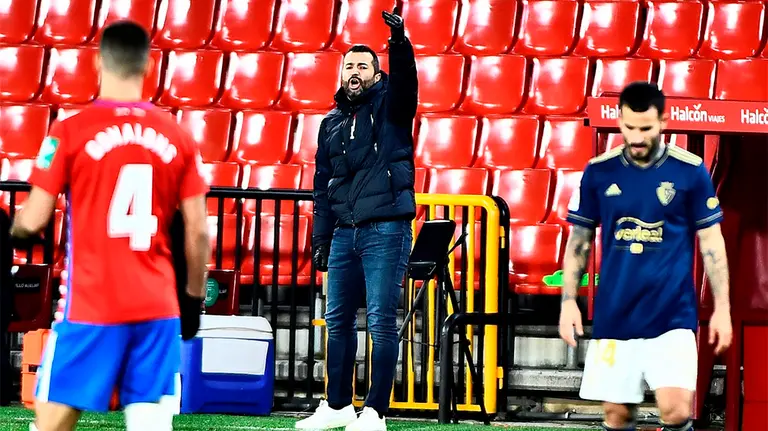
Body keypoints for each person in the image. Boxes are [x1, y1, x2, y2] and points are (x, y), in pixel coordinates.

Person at [9, 21, 210, 431]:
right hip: (157, 306)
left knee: (50, 425)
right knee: (150, 425)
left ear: (98, 63)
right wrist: (191, 299)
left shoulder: (68, 131)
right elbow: (198, 231)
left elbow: (33, 220)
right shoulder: (178, 137)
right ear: (149, 66)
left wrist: (13, 227)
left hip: (92, 305)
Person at [558, 82, 733, 431]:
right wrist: (568, 301)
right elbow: (579, 241)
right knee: (618, 416)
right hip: (616, 315)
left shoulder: (689, 171)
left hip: (672, 314)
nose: (637, 137)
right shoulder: (599, 171)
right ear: (620, 121)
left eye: (646, 128)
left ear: (664, 122)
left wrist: (722, 308)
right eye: (629, 127)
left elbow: (712, 242)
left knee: (677, 410)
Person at [295, 7, 418, 431]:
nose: (354, 71)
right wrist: (321, 239)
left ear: (376, 74)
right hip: (344, 233)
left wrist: (398, 44)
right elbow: (322, 187)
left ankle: (376, 412)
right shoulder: (329, 123)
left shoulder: (392, 108)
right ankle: (337, 406)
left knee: (382, 320)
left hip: (387, 228)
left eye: (363, 66)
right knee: (338, 321)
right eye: (348, 65)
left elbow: (407, 85)